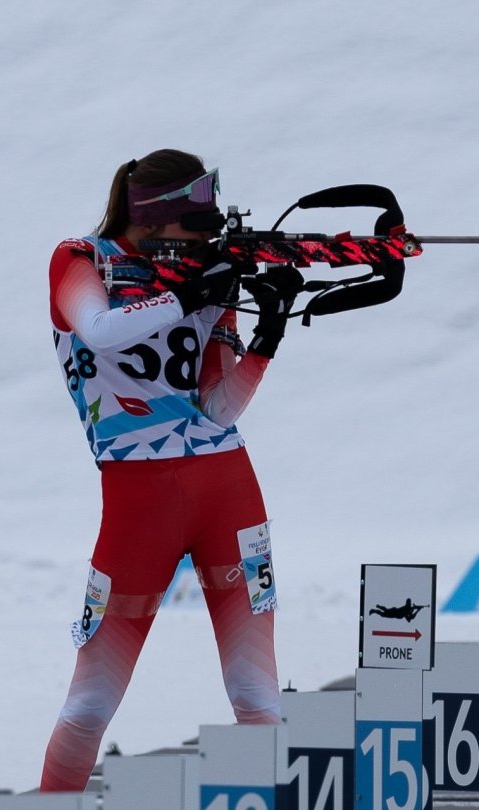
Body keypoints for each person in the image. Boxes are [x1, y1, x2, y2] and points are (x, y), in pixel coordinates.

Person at [40, 149, 303, 792]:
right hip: (139, 500)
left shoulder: (205, 272)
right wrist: (192, 290)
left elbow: (218, 408)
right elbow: (100, 330)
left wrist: (267, 330)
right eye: (197, 227)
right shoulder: (80, 259)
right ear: (157, 219)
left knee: (256, 695)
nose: (208, 241)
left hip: (227, 486)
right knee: (91, 702)